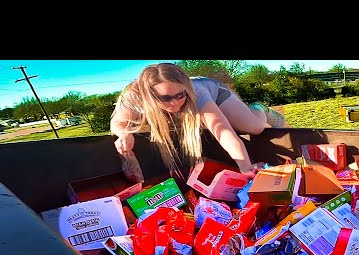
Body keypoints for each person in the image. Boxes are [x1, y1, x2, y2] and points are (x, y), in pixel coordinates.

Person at [110, 62, 286, 182]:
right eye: (165, 98)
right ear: (148, 96)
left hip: (215, 94)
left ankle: (258, 108)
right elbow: (117, 122)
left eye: (180, 95)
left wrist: (245, 166)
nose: (175, 103)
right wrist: (123, 133)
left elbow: (223, 132)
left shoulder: (197, 92)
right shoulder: (133, 97)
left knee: (254, 127)